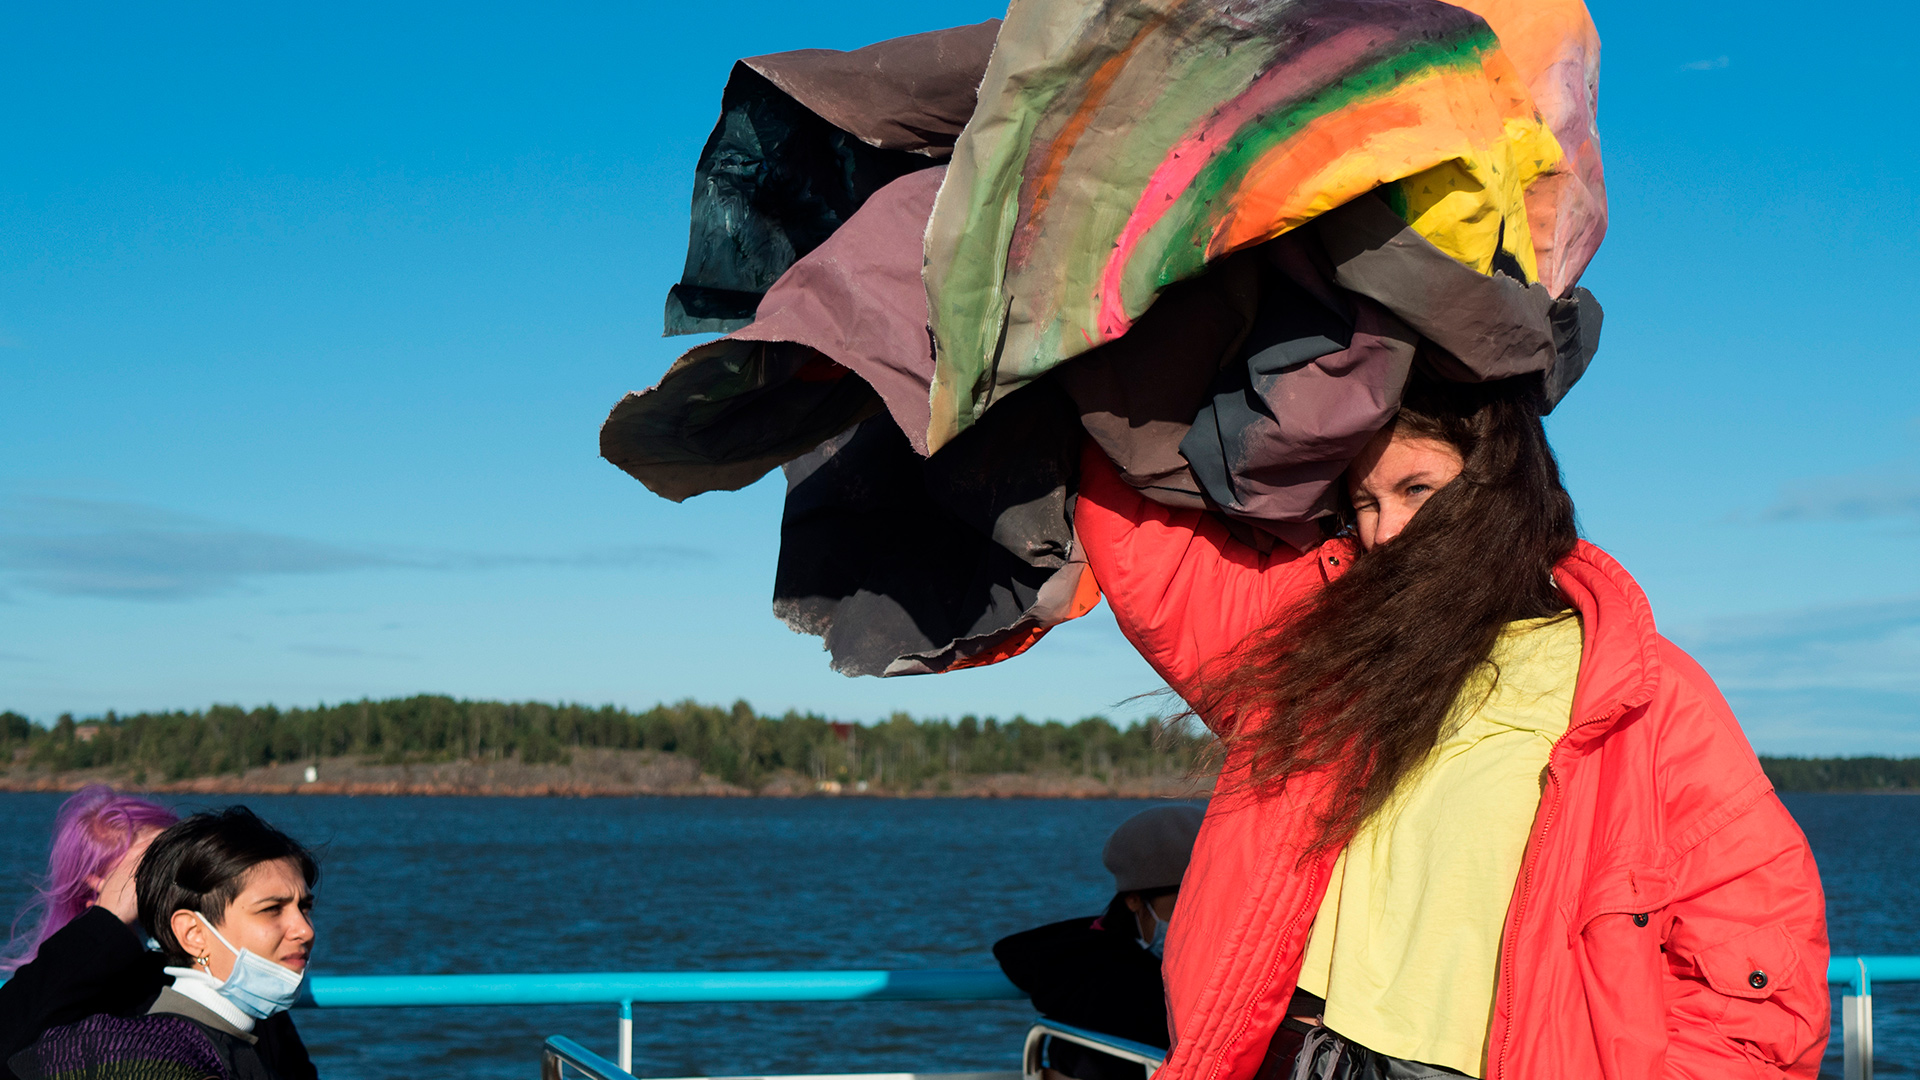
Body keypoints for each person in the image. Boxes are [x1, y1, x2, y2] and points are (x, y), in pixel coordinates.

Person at [1074, 373, 1829, 1079]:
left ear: (1500, 487)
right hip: (1301, 1055)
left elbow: (1757, 966)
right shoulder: (1322, 647)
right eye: (1364, 501)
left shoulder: (1633, 683)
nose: (1385, 531)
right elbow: (1150, 550)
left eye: (1417, 488)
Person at [7, 807, 322, 1080]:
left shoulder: (245, 992)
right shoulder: (127, 1037)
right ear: (192, 932)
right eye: (153, 873)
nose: (305, 930)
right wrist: (108, 921)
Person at [995, 805, 1205, 1080]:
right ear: (1134, 900)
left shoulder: (1081, 960)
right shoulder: (1111, 985)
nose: (1200, 920)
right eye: (1183, 905)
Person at [0, 787, 179, 1078]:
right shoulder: (49, 992)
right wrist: (108, 921)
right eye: (152, 878)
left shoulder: (213, 972)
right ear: (93, 898)